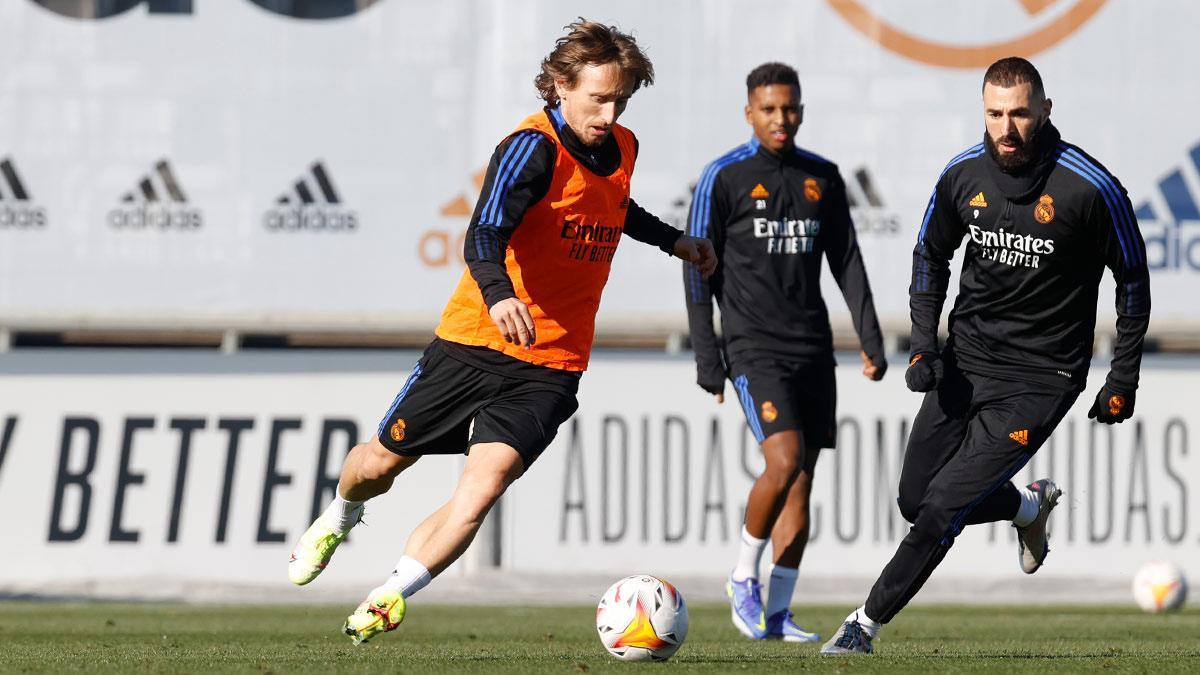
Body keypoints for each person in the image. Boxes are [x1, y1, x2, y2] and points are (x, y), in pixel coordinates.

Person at [286, 19, 716, 645]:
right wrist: (501, 294)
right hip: (474, 343)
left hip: (553, 363)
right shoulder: (530, 147)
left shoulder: (623, 145)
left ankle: (390, 594)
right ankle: (341, 513)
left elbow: (614, 210)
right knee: (378, 465)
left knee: (482, 487)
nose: (610, 110)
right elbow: (484, 232)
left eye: (619, 98)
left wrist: (673, 240)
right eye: (598, 97)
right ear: (560, 86)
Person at [820, 56, 1150, 655]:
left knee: (943, 506)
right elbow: (929, 255)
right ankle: (1028, 506)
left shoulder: (1091, 187)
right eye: (995, 114)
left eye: (1020, 113)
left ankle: (860, 628)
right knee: (915, 500)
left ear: (1045, 111)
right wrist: (924, 346)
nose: (1007, 127)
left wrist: (1121, 376)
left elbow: (1132, 279)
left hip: (1041, 378)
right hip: (965, 362)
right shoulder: (962, 175)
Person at [684, 62, 887, 643]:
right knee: (783, 459)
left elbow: (846, 262)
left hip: (813, 351)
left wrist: (869, 342)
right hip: (753, 348)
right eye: (769, 109)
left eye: (790, 108)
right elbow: (698, 274)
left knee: (802, 480)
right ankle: (742, 578)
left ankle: (776, 613)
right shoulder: (722, 177)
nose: (781, 119)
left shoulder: (821, 176)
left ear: (801, 109)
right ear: (749, 112)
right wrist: (709, 360)